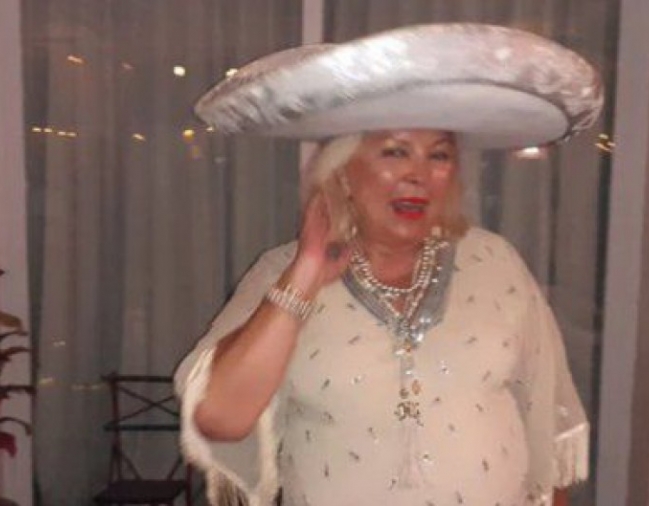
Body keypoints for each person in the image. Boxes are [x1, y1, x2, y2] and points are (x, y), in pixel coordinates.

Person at [175, 23, 603, 506]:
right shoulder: (282, 272)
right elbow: (219, 418)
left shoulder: (496, 263)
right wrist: (308, 271)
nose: (418, 175)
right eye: (395, 152)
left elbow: (543, 420)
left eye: (438, 156)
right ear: (343, 170)